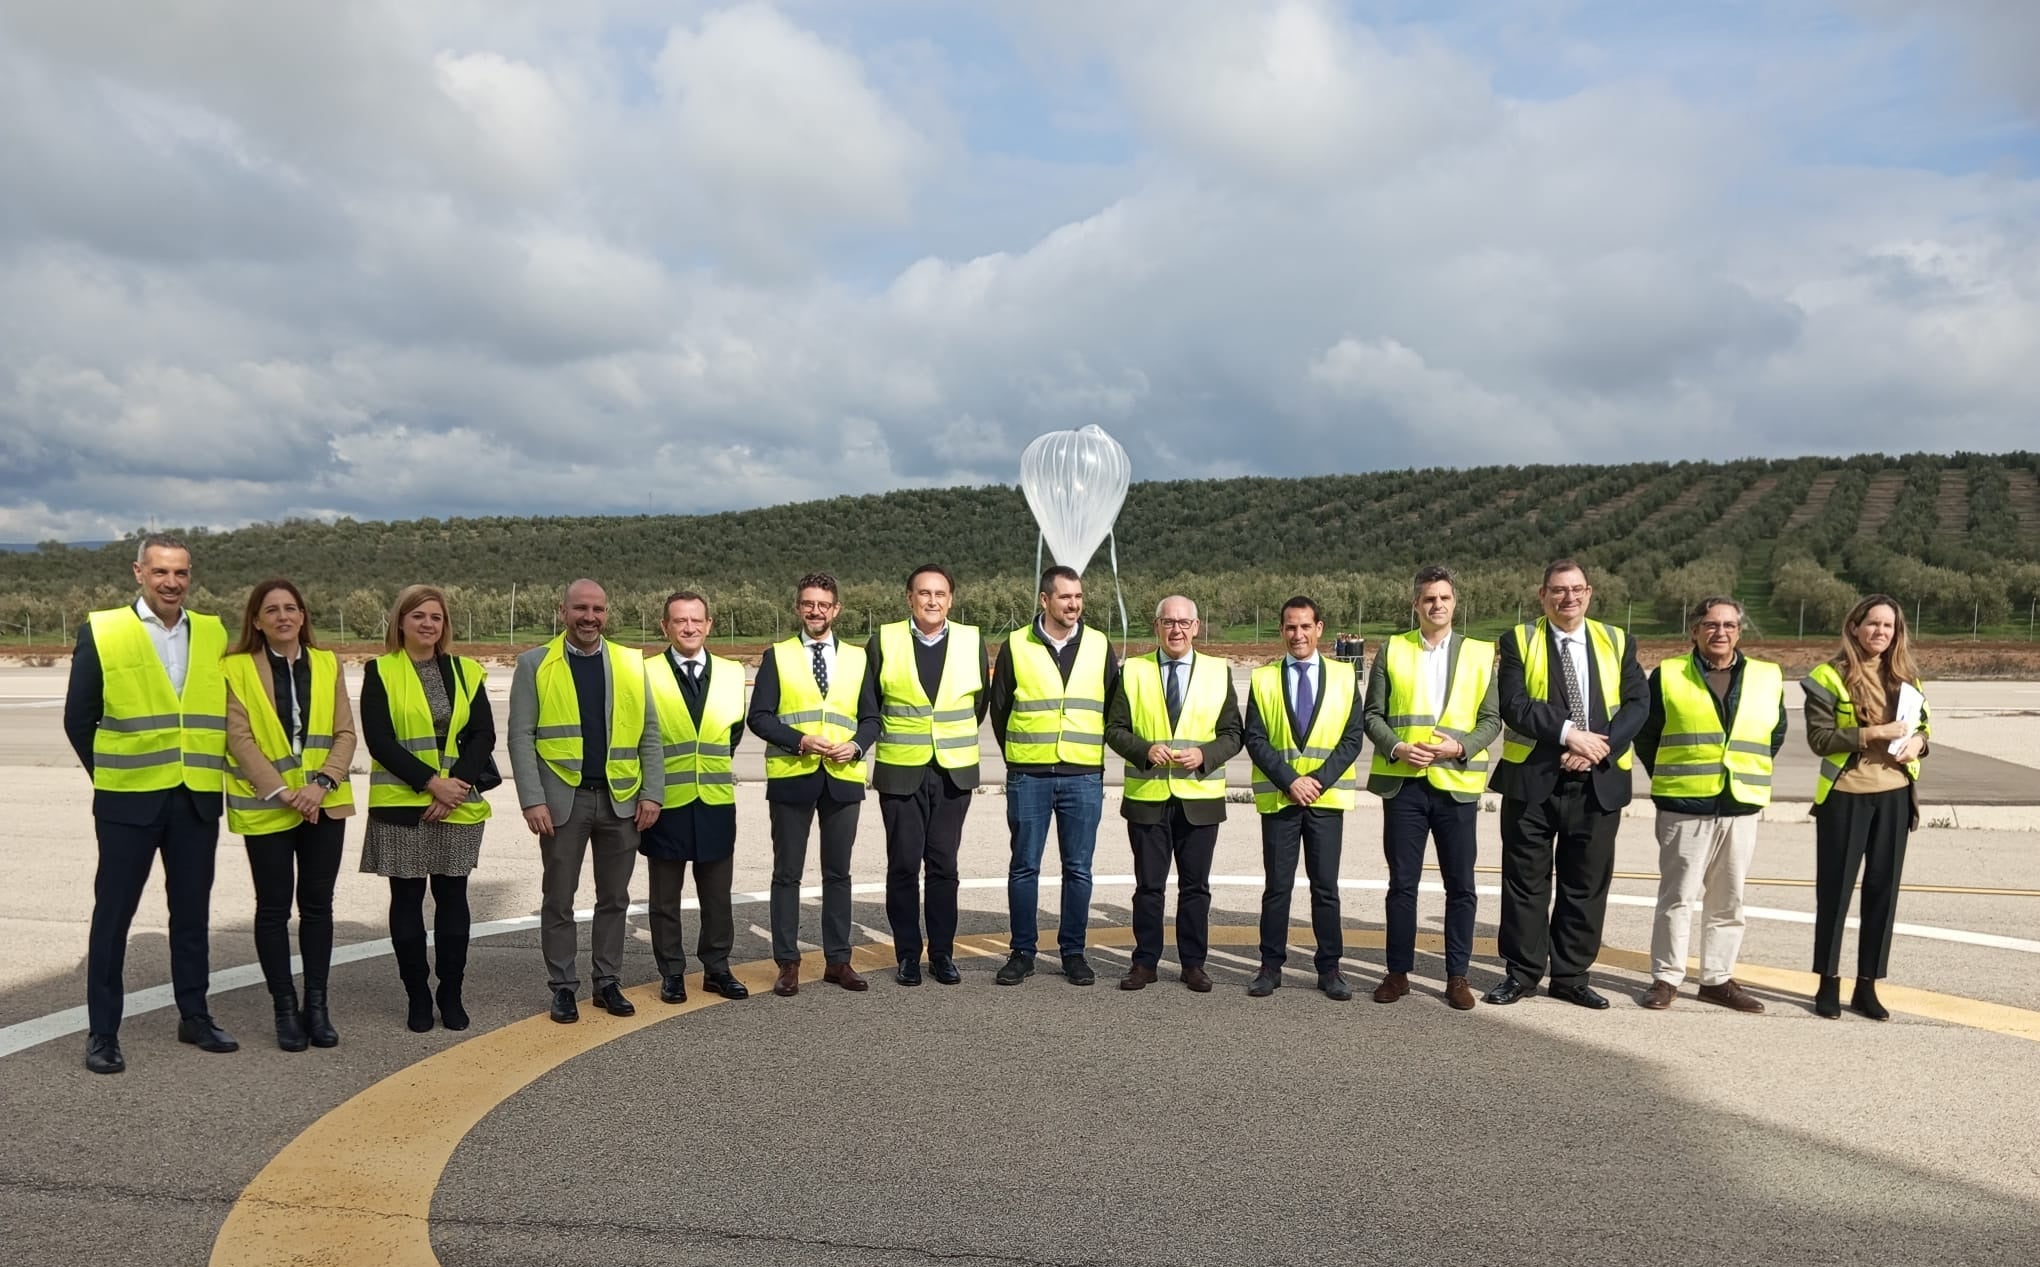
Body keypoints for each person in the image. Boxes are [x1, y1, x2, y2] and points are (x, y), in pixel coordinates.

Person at [64, 533, 235, 1074]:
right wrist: (111, 776)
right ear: (138, 572)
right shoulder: (104, 629)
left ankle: (194, 1014)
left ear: (191, 576)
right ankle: (103, 1032)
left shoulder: (211, 632)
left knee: (191, 914)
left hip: (195, 800)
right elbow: (78, 717)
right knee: (113, 916)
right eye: (161, 572)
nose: (172, 583)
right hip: (127, 803)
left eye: (181, 573)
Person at [1485, 560, 1646, 1010]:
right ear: (1543, 595)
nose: (1568, 598)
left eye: (1576, 589)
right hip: (1533, 782)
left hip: (1598, 782)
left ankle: (1572, 976)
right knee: (1525, 883)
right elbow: (1515, 704)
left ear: (1589, 593)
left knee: (1586, 883)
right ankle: (1521, 974)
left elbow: (1638, 703)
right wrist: (1569, 734)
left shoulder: (1617, 640)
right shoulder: (1518, 639)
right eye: (1558, 590)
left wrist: (1598, 746)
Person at [510, 579, 663, 1024]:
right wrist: (532, 800)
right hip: (563, 802)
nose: (589, 617)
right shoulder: (535, 664)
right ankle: (562, 987)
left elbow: (649, 733)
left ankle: (607, 982)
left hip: (621, 800)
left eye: (597, 608)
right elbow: (521, 737)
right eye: (580, 608)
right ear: (563, 611)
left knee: (614, 898)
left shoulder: (631, 664)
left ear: (607, 613)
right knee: (559, 898)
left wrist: (652, 791)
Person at [221, 579, 357, 1051]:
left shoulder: (326, 663)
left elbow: (344, 732)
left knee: (318, 907)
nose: (283, 616)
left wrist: (321, 785)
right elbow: (238, 739)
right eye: (272, 610)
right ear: (256, 620)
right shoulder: (235, 668)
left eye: (291, 608)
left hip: (324, 802)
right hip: (267, 806)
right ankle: (285, 1009)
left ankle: (316, 1007)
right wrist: (283, 790)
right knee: (274, 909)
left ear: (303, 616)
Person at [1634, 597, 1786, 1014]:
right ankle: (1666, 978)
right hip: (1685, 805)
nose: (1721, 632)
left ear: (1739, 630)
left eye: (1729, 625)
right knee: (1677, 897)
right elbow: (1646, 736)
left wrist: (1742, 770)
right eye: (1711, 625)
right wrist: (1672, 777)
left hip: (1739, 804)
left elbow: (1775, 733)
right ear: (1695, 631)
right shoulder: (1668, 675)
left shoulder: (1767, 676)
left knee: (1729, 899)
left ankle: (1717, 979)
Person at [1363, 566, 1499, 1010]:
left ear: (1454, 603)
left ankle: (1456, 976)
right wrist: (1398, 746)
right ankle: (1397, 972)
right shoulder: (1392, 650)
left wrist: (1460, 746)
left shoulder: (1480, 653)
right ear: (1415, 605)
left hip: (1455, 785)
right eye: (1428, 599)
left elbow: (1491, 720)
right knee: (1403, 885)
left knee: (1461, 886)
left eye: (1443, 598)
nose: (1436, 605)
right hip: (1405, 786)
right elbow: (1372, 716)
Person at [359, 585, 494, 1033]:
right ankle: (417, 994)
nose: (427, 624)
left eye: (436, 617)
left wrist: (453, 788)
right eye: (418, 616)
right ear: (400, 622)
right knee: (407, 900)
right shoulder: (380, 671)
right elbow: (379, 741)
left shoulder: (466, 671)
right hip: (402, 806)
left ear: (445, 624)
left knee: (453, 898)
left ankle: (450, 992)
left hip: (457, 801)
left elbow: (482, 736)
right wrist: (431, 784)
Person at [746, 572, 881, 997]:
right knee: (787, 874)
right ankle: (788, 962)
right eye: (808, 603)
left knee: (837, 874)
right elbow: (760, 717)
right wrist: (800, 740)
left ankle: (838, 960)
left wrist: (857, 747)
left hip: (842, 779)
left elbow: (872, 719)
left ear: (836, 609)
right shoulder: (778, 656)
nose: (816, 611)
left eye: (823, 604)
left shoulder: (858, 659)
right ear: (798, 607)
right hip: (793, 776)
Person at [986, 566, 1120, 987]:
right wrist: (1018, 758)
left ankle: (1073, 952)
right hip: (1029, 774)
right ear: (1044, 600)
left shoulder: (1099, 645)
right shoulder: (1016, 646)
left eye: (1078, 597)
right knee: (1024, 866)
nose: (1074, 604)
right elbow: (1000, 709)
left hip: (1082, 775)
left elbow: (1113, 705)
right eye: (1065, 597)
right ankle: (1022, 951)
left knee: (1078, 868)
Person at [1104, 596, 1244, 992]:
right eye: (1169, 622)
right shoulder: (1132, 671)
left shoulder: (1218, 672)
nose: (1177, 630)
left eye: (1184, 622)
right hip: (1148, 797)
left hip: (1199, 799)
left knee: (1195, 887)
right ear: (1157, 626)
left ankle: (1193, 963)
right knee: (1148, 886)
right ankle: (1145, 962)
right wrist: (1143, 750)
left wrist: (1204, 755)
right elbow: (1114, 729)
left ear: (1197, 627)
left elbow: (1234, 734)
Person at [1802, 594, 1929, 1021]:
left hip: (1894, 794)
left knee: (1882, 892)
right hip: (1846, 795)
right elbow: (1819, 738)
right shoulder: (1827, 676)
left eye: (1888, 627)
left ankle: (1867, 986)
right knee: (1835, 892)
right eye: (1872, 624)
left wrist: (1919, 742)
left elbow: (1923, 725)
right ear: (1854, 626)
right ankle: (1828, 982)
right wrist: (1872, 732)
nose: (1880, 632)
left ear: (1897, 634)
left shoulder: (1906, 676)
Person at [867, 565, 989, 986]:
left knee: (943, 866)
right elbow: (873, 703)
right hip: (901, 771)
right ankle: (906, 955)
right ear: (909, 598)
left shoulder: (972, 641)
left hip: (953, 772)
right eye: (924, 593)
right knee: (902, 866)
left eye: (940, 594)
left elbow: (980, 705)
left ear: (951, 600)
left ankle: (942, 953)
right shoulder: (883, 640)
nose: (932, 601)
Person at [1242, 595, 1365, 1000]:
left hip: (1325, 802)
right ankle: (1270, 966)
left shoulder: (1346, 678)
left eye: (1305, 626)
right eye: (1290, 627)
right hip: (1281, 800)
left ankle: (1330, 968)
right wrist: (1290, 780)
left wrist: (1318, 781)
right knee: (1277, 887)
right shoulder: (1263, 679)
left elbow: (1351, 739)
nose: (1298, 634)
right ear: (1281, 631)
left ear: (1319, 628)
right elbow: (1255, 739)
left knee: (1325, 888)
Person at [640, 591, 749, 1004]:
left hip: (716, 800)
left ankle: (717, 968)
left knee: (717, 897)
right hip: (664, 802)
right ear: (665, 627)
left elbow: (732, 734)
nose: (689, 628)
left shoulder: (731, 672)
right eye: (680, 621)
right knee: (665, 899)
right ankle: (671, 972)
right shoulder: (645, 672)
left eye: (696, 620)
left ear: (709, 624)